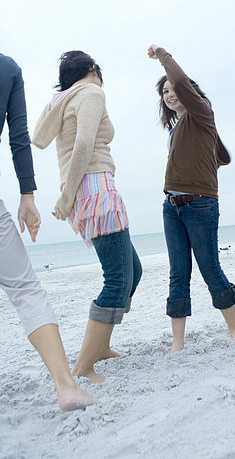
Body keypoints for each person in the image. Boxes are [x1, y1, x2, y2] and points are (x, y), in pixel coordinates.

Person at [33, 51, 142, 382]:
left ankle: (101, 347)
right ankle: (83, 365)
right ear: (94, 70)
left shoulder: (63, 100)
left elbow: (39, 137)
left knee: (131, 272)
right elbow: (83, 146)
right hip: (94, 188)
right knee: (117, 279)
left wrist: (69, 196)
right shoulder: (92, 92)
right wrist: (65, 200)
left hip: (83, 190)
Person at [0, 52, 95, 411]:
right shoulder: (8, 69)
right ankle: (66, 386)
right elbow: (19, 138)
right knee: (25, 289)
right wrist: (27, 197)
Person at [148, 43, 235, 352]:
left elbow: (179, 81)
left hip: (200, 205)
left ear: (189, 91)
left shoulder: (201, 112)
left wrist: (162, 55)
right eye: (164, 93)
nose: (169, 94)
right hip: (171, 208)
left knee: (210, 269)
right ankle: (178, 343)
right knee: (178, 274)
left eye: (173, 89)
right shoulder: (176, 129)